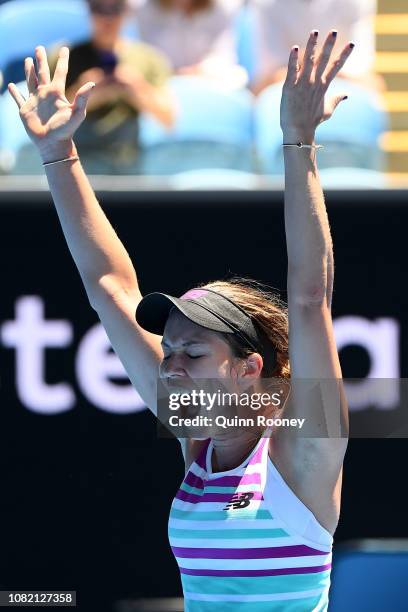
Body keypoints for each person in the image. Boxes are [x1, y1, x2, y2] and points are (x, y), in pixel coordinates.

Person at [9, 30, 351, 609]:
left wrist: (298, 141)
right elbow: (109, 288)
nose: (169, 367)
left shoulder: (301, 454)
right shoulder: (194, 435)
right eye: (169, 351)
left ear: (249, 369)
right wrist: (58, 155)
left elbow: (310, 297)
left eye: (192, 353)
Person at [50, 0, 175, 173]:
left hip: (128, 158)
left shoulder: (149, 58)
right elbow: (49, 120)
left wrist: (135, 86)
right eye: (99, 8)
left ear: (127, 12)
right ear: (89, 10)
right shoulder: (64, 57)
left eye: (115, 8)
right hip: (77, 157)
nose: (107, 18)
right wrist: (84, 94)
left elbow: (168, 119)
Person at [252, 0, 384, 95]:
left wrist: (311, 62)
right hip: (285, 95)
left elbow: (368, 81)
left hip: (345, 88)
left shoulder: (356, 3)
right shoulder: (266, 5)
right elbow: (265, 83)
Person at [131, 0, 248, 88]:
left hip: (207, 80)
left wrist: (199, 71)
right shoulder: (145, 9)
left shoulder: (221, 8)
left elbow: (224, 56)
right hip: (164, 81)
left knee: (238, 76)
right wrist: (175, 73)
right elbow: (149, 56)